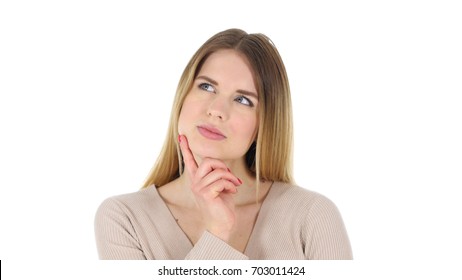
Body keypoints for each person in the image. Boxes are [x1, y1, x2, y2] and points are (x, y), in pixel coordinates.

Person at [94, 28, 353, 260]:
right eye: (206, 86)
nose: (217, 110)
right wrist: (217, 233)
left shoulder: (313, 216)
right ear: (183, 95)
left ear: (265, 123)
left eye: (243, 100)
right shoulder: (124, 218)